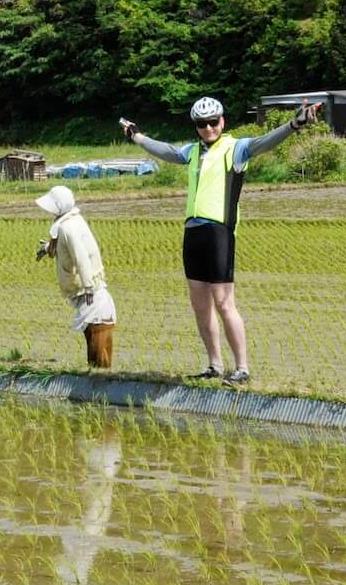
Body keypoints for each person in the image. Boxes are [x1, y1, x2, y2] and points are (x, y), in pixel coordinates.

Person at [119, 96, 321, 383]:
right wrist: (137, 136)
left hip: (220, 233)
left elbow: (267, 141)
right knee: (200, 304)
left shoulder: (236, 149)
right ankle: (214, 364)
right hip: (193, 232)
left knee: (224, 303)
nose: (208, 128)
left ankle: (242, 367)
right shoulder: (191, 152)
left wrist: (295, 123)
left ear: (222, 121)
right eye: (202, 124)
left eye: (213, 122)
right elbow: (167, 151)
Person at [33, 184, 117, 368]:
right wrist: (47, 248)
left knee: (97, 344)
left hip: (92, 295)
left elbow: (81, 256)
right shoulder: (72, 221)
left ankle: (99, 381)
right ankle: (97, 377)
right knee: (92, 340)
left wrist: (88, 286)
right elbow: (63, 247)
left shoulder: (68, 228)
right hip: (90, 293)